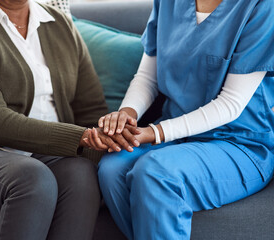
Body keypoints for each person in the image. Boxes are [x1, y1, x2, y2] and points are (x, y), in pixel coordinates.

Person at [0, 0, 137, 239]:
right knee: (32, 179)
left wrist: (107, 135)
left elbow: (90, 109)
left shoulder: (59, 23)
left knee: (81, 174)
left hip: (40, 154)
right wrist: (82, 137)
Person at [86, 0, 274, 239]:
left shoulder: (261, 6)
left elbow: (232, 103)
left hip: (238, 142)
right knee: (112, 169)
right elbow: (147, 77)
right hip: (177, 136)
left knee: (155, 173)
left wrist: (154, 133)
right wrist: (127, 115)